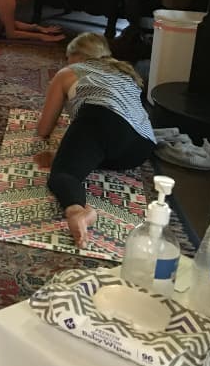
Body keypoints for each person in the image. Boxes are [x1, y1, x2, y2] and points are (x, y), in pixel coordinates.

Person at [34, 32, 155, 248]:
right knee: (93, 147)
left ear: (77, 55)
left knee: (64, 175)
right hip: (140, 147)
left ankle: (79, 211)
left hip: (102, 119)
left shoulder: (68, 72)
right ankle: (82, 156)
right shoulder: (127, 73)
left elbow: (44, 129)